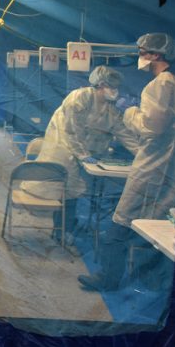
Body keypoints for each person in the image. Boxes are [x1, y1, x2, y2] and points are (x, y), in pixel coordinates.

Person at [78, 33, 175, 292]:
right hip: (163, 164)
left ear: (155, 55)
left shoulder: (161, 83)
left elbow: (150, 127)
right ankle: (140, 278)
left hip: (154, 166)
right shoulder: (173, 83)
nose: (140, 57)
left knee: (121, 223)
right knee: (145, 225)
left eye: (141, 51)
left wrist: (131, 111)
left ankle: (109, 279)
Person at [22, 65, 139, 247]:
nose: (115, 92)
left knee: (73, 192)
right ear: (100, 84)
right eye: (112, 87)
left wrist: (142, 154)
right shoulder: (80, 97)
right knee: (65, 190)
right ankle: (61, 231)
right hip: (62, 146)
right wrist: (82, 154)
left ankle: (64, 229)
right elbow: (70, 130)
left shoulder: (110, 109)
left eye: (116, 88)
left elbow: (123, 133)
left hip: (82, 152)